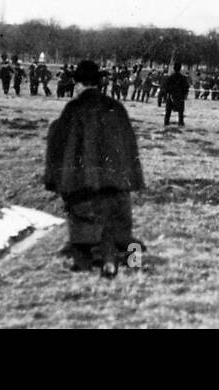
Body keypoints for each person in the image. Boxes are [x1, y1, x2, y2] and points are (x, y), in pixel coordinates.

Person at [44, 60, 145, 278]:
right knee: (112, 221)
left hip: (83, 181)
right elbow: (128, 144)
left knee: (82, 220)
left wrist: (59, 178)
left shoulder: (74, 108)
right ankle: (115, 260)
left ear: (78, 83)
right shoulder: (116, 107)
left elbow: (61, 142)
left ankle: (83, 264)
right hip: (114, 180)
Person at [163, 61, 190, 126]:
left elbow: (166, 87)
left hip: (171, 96)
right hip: (180, 97)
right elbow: (186, 87)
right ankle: (180, 123)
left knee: (168, 113)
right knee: (180, 113)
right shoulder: (183, 78)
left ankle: (166, 123)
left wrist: (166, 95)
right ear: (180, 69)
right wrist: (184, 95)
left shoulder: (170, 77)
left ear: (174, 68)